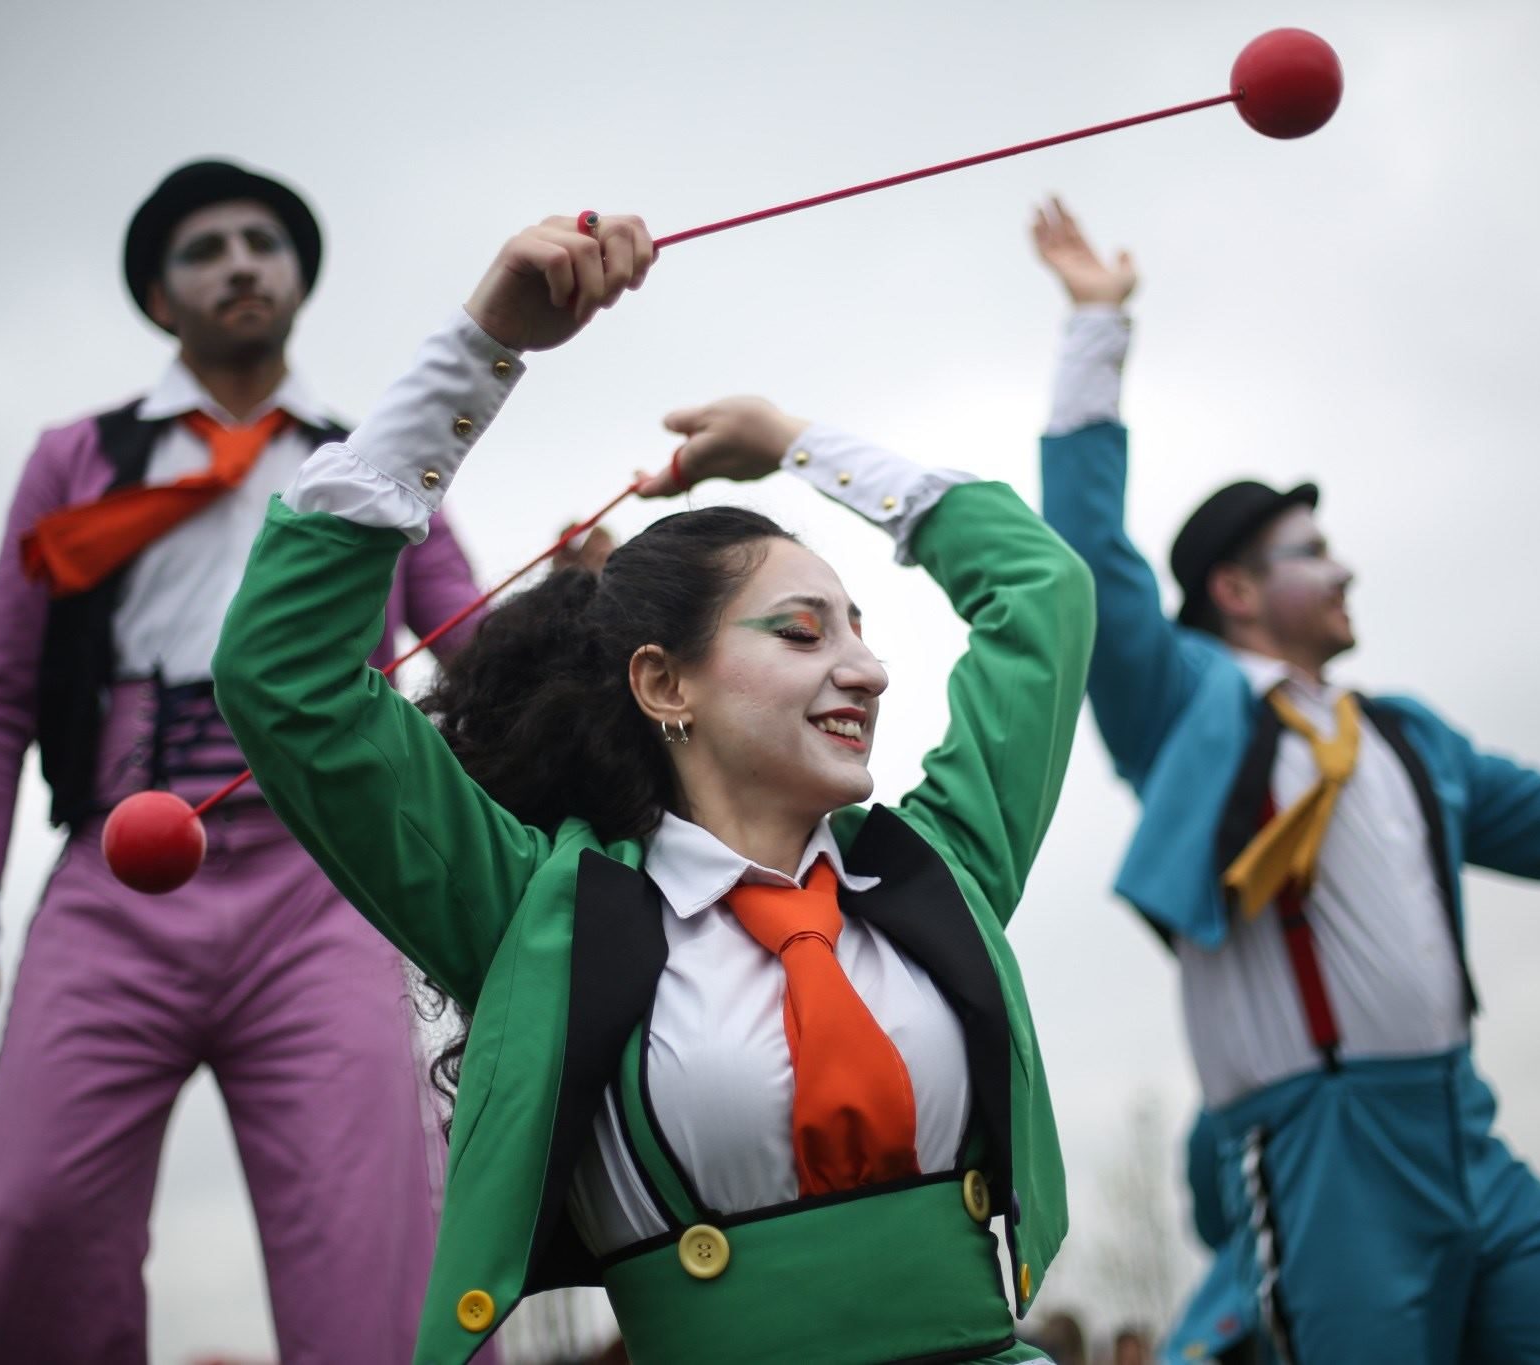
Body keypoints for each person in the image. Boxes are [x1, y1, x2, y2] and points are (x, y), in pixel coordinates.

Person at [212, 210, 1095, 1364]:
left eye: (860, 630)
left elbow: (1039, 592)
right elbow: (282, 676)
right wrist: (483, 347)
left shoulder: (941, 873)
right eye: (801, 632)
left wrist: (791, 441)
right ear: (662, 683)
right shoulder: (537, 917)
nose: (866, 669)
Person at [1027, 198, 1540, 1365]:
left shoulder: (1406, 739)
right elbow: (1088, 563)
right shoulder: (1183, 701)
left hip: (1462, 1130)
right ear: (1233, 592)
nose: (1344, 569)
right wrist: (1097, 325)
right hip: (1321, 1150)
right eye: (1309, 554)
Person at [0, 159, 485, 1364]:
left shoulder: (369, 461)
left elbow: (475, 647)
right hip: (116, 874)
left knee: (376, 1234)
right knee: (27, 1213)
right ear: (159, 297)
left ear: (297, 280)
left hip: (326, 886)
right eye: (204, 249)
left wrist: (586, 615)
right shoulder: (77, 456)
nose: (239, 263)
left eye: (261, 243)